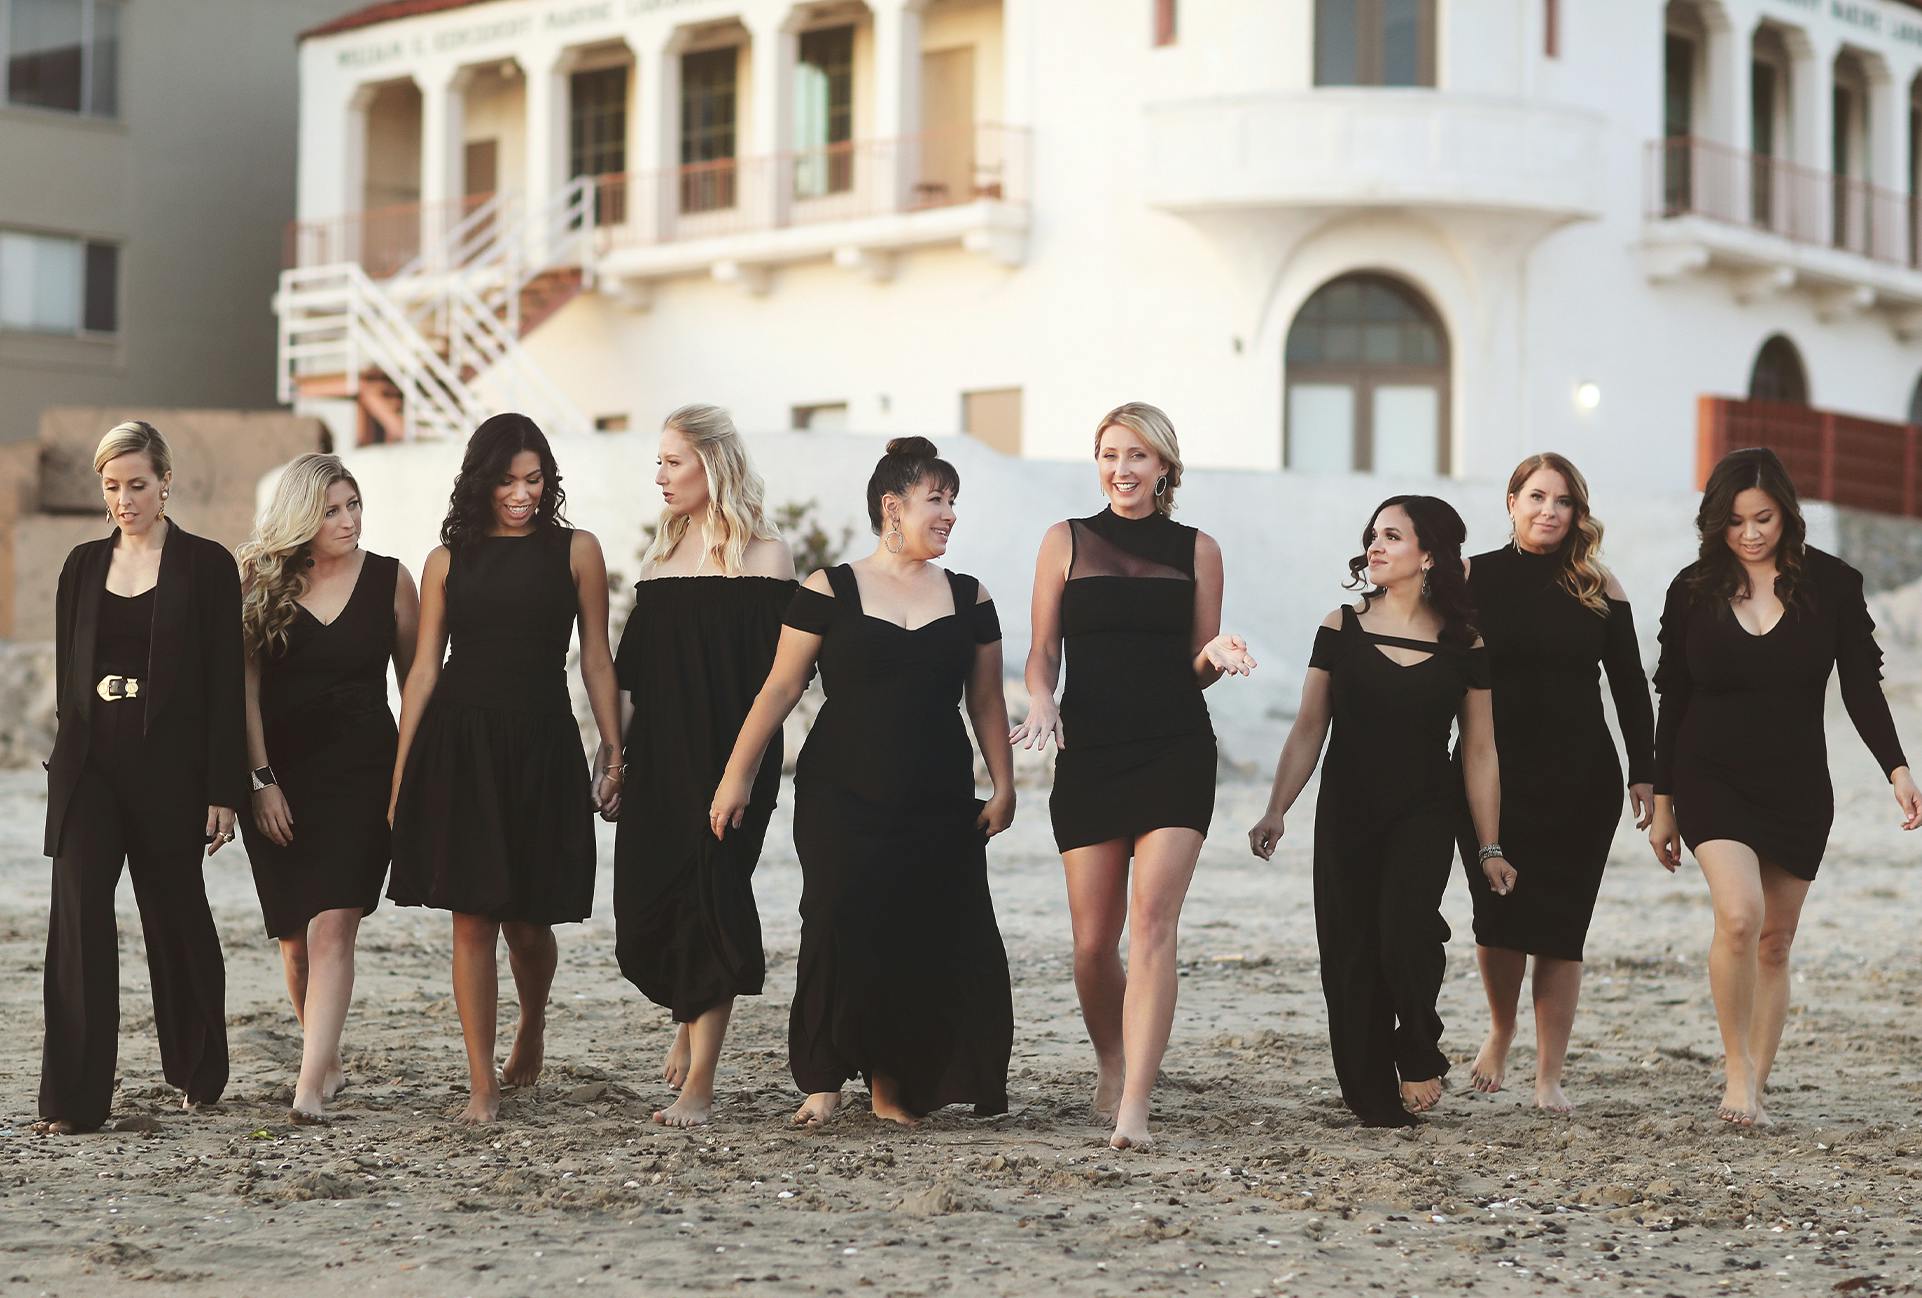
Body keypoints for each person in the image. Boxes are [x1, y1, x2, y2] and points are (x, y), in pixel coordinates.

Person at [711, 437, 1015, 1127]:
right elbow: (779, 689)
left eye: (952, 502)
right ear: (892, 506)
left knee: (925, 932)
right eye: (936, 500)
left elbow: (987, 701)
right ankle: (823, 1077)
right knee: (837, 919)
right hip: (840, 791)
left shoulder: (971, 595)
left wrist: (1004, 785)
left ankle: (895, 1083)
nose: (949, 515)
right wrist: (736, 778)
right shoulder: (826, 589)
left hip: (938, 794)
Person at [1009, 401, 1254, 1151]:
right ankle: (1112, 1058)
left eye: (1139, 456)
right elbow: (1041, 652)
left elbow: (1195, 667)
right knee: (1092, 944)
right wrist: (1043, 700)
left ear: (1165, 468)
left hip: (1174, 747)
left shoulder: (1199, 550)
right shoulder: (1065, 541)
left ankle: (1136, 1109)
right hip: (1091, 753)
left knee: (1152, 926)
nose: (1123, 469)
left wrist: (1212, 659)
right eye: (1112, 454)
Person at [1649, 446, 1919, 1126]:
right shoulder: (1691, 589)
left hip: (1797, 782)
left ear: (1787, 515)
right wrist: (1660, 798)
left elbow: (1860, 684)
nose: (1750, 534)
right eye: (1736, 521)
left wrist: (1897, 767)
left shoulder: (1832, 584)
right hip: (1709, 772)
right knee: (1739, 917)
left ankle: (1758, 1083)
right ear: (1717, 522)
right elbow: (1671, 696)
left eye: (1763, 518)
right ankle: (1735, 1074)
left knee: (1775, 941)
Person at [388, 413, 625, 1124]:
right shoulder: (446, 560)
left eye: (534, 479)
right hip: (462, 744)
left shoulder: (577, 551)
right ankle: (481, 1084)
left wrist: (615, 749)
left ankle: (532, 1021)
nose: (522, 493)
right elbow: (424, 671)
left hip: (542, 741)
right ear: (481, 481)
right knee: (472, 916)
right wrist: (402, 773)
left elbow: (595, 657)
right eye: (507, 481)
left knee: (527, 923)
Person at [1249, 496, 1509, 1128]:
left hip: (1423, 810)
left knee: (1406, 932)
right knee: (1350, 949)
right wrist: (1276, 808)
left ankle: (1419, 1048)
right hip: (1346, 810)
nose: (1376, 546)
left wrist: (1490, 844)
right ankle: (1371, 1094)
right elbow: (1310, 727)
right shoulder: (1341, 624)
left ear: (1428, 554)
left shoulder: (1463, 641)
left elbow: (1479, 750)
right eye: (1373, 535)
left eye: (1393, 536)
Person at [37, 420, 244, 1134]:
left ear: (165, 484)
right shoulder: (80, 566)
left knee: (175, 914)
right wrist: (66, 775)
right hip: (91, 765)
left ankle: (196, 1069)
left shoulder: (208, 566)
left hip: (173, 768)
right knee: (79, 919)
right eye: (112, 487)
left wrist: (226, 788)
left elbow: (224, 684)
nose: (125, 500)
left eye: (137, 485)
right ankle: (73, 1100)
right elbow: (69, 681)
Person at [613, 404, 795, 1127]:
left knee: (712, 898)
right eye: (658, 461)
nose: (660, 476)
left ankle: (701, 1086)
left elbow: (778, 683)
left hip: (733, 757)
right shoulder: (660, 559)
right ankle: (685, 1015)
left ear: (713, 465)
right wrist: (612, 755)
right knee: (648, 906)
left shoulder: (768, 557)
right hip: (660, 757)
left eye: (674, 462)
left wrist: (742, 774)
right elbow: (632, 677)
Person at [1456, 453, 1654, 1113]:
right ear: (1511, 500)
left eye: (1562, 501)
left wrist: (1645, 774)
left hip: (1581, 781)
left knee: (1562, 930)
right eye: (1536, 496)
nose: (1548, 511)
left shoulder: (1599, 586)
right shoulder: (1467, 578)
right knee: (1499, 920)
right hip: (1490, 777)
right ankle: (1501, 1028)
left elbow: (1631, 689)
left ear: (1577, 512)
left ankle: (1548, 1077)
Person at [237, 453, 419, 1123]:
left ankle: (309, 1087)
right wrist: (261, 782)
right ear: (300, 517)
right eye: (331, 509)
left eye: (353, 504)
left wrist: (410, 779)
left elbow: (416, 683)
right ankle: (328, 1055)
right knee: (293, 938)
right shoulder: (258, 578)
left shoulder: (392, 580)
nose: (348, 520)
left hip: (363, 771)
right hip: (279, 777)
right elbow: (245, 691)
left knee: (333, 926)